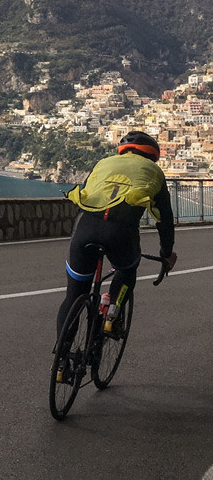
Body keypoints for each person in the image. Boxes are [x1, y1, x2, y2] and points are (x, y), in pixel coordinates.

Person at [57, 130, 177, 337]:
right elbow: (164, 220)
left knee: (74, 296)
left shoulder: (104, 163)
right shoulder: (155, 172)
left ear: (123, 150)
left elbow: (85, 198)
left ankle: (60, 362)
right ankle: (113, 313)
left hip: (86, 228)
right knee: (127, 270)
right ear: (152, 156)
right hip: (121, 233)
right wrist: (166, 252)